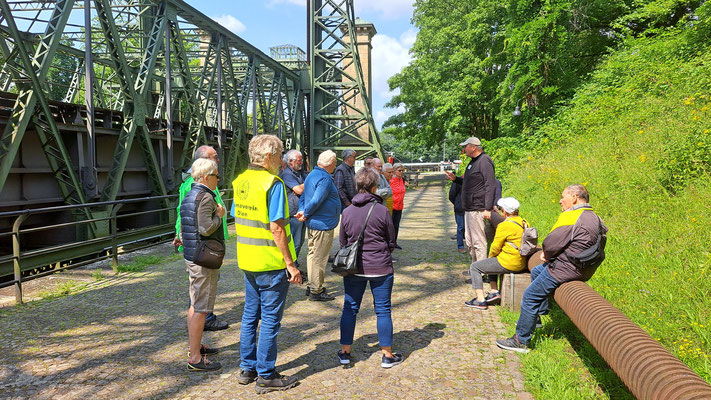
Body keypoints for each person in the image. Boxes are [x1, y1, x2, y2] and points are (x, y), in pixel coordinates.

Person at [496, 185, 608, 353]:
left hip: (565, 268)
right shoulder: (595, 217)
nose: (560, 201)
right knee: (536, 271)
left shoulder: (572, 215)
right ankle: (537, 317)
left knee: (530, 296)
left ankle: (521, 341)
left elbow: (551, 242)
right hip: (585, 268)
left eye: (563, 197)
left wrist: (547, 255)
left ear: (575, 198)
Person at [231, 134, 302, 393]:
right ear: (270, 156)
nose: (281, 162)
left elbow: (236, 216)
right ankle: (266, 374)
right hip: (270, 262)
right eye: (280, 156)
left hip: (247, 259)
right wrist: (290, 264)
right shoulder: (273, 184)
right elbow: (277, 228)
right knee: (270, 319)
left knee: (250, 315)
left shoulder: (240, 181)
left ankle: (247, 368)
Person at [337, 167, 403, 368]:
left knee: (350, 309)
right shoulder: (382, 210)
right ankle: (387, 355)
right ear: (374, 187)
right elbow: (391, 240)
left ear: (357, 187)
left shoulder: (347, 212)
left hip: (354, 268)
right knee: (383, 310)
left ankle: (345, 352)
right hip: (380, 267)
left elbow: (343, 242)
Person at [174, 145, 229, 332]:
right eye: (214, 157)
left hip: (197, 244)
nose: (218, 160)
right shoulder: (201, 191)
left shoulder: (190, 187)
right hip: (204, 246)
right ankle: (206, 321)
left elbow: (183, 212)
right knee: (202, 293)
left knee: (199, 290)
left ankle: (201, 326)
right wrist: (220, 216)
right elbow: (203, 226)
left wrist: (180, 233)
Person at [181, 158, 225, 371]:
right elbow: (206, 228)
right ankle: (196, 359)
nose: (218, 179)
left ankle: (195, 346)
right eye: (217, 176)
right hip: (203, 258)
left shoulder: (189, 194)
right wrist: (219, 215)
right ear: (207, 177)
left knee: (194, 304)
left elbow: (187, 225)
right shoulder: (206, 197)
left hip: (191, 254)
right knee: (201, 308)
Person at [464, 197, 528, 310]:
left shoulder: (505, 225)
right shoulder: (524, 222)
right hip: (521, 262)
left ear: (504, 211)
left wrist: (489, 256)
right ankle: (494, 291)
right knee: (491, 262)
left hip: (509, 263)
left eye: (500, 208)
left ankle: (480, 300)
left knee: (475, 267)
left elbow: (495, 247)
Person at [295, 150, 341, 301]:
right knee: (319, 257)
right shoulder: (325, 178)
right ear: (331, 163)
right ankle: (316, 290)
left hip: (315, 222)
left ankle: (312, 284)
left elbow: (304, 197)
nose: (335, 165)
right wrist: (306, 213)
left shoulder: (312, 175)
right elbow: (316, 200)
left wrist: (302, 210)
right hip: (322, 223)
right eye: (335, 163)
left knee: (312, 254)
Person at [444, 137, 496, 265]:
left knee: (478, 242)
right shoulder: (473, 162)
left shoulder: (484, 161)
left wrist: (488, 208)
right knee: (470, 241)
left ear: (473, 147)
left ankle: (481, 271)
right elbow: (470, 183)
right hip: (468, 208)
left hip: (477, 208)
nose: (464, 149)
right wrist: (456, 179)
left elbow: (490, 185)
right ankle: (475, 269)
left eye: (465, 146)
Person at [279, 150, 308, 273]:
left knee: (300, 241)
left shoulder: (301, 173)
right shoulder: (287, 174)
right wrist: (309, 183)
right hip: (293, 213)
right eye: (298, 160)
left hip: (300, 212)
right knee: (294, 242)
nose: (301, 162)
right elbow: (299, 190)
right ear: (290, 162)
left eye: (301, 159)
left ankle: (294, 265)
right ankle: (290, 268)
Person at [390, 163, 407, 249]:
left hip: (399, 207)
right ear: (394, 171)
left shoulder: (402, 180)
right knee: (390, 226)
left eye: (402, 171)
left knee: (396, 225)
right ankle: (389, 243)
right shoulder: (391, 181)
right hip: (392, 207)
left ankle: (394, 242)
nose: (401, 172)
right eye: (399, 170)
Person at [448, 177, 467, 253]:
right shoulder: (457, 182)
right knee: (461, 227)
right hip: (460, 208)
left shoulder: (473, 181)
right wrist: (457, 203)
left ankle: (470, 245)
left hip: (470, 208)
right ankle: (460, 246)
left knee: (468, 228)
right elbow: (451, 195)